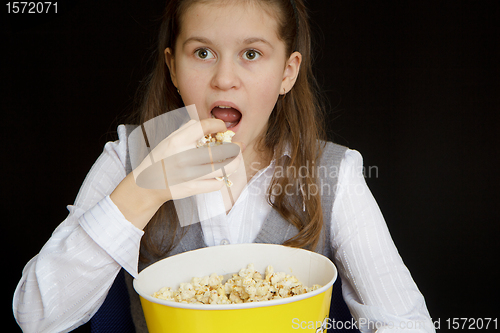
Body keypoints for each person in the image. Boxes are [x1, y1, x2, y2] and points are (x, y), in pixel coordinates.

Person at [13, 0, 435, 332]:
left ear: (288, 73)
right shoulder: (126, 156)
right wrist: (145, 189)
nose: (224, 78)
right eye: (202, 52)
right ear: (173, 68)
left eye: (251, 53)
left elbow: (404, 323)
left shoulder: (333, 173)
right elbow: (37, 317)